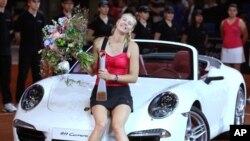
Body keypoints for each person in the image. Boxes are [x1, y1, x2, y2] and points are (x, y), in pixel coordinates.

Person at [85, 13, 139, 141]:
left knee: (117, 126)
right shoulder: (99, 42)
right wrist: (81, 59)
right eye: (124, 19)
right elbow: (93, 71)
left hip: (121, 93)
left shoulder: (132, 46)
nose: (125, 23)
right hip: (100, 91)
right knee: (100, 124)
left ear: (131, 29)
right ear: (117, 21)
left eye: (129, 23)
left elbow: (134, 77)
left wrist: (111, 76)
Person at [14, 0, 45, 102]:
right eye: (34, 1)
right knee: (22, 75)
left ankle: (36, 98)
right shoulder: (23, 17)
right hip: (25, 52)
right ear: (28, 3)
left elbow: (44, 34)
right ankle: (19, 99)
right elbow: (17, 34)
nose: (37, 4)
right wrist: (23, 45)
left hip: (38, 52)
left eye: (38, 2)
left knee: (37, 76)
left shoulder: (41, 17)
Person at [220, 3, 248, 71]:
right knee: (226, 69)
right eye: (230, 10)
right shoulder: (223, 22)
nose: (232, 12)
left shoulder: (240, 21)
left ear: (237, 12)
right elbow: (222, 35)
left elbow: (246, 36)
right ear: (227, 11)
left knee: (237, 69)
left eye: (234, 10)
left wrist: (240, 45)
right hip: (225, 48)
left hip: (237, 49)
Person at [0, 0, 17, 112]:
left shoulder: (7, 14)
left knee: (6, 78)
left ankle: (7, 103)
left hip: (6, 52)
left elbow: (11, 32)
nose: (4, 1)